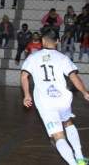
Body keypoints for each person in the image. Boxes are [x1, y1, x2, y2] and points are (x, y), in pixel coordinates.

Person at [20, 27, 89, 165]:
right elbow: (74, 77)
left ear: (42, 41)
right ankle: (80, 158)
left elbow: (24, 76)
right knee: (68, 123)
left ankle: (73, 163)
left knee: (58, 136)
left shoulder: (33, 57)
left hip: (45, 102)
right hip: (62, 99)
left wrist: (27, 95)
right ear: (57, 41)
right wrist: (85, 92)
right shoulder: (62, 58)